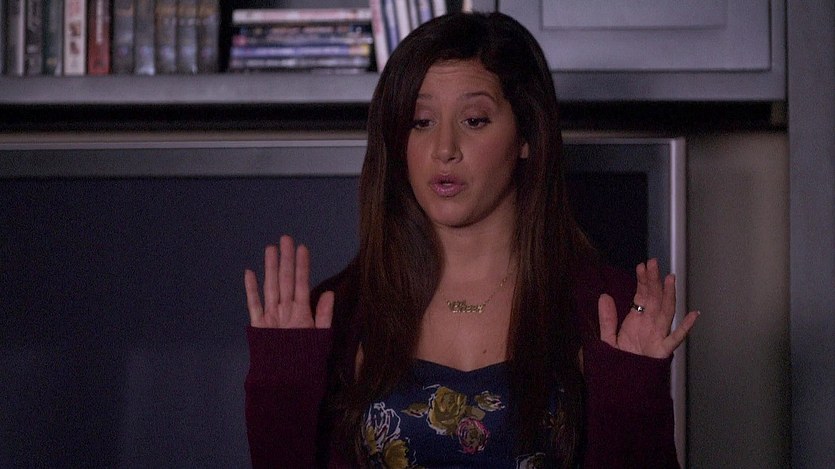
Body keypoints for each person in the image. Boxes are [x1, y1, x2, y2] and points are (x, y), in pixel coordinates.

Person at [243, 11, 699, 469]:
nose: (444, 149)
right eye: (421, 121)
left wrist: (634, 397)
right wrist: (282, 385)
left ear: (526, 135)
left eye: (474, 120)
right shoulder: (335, 313)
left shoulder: (608, 311)